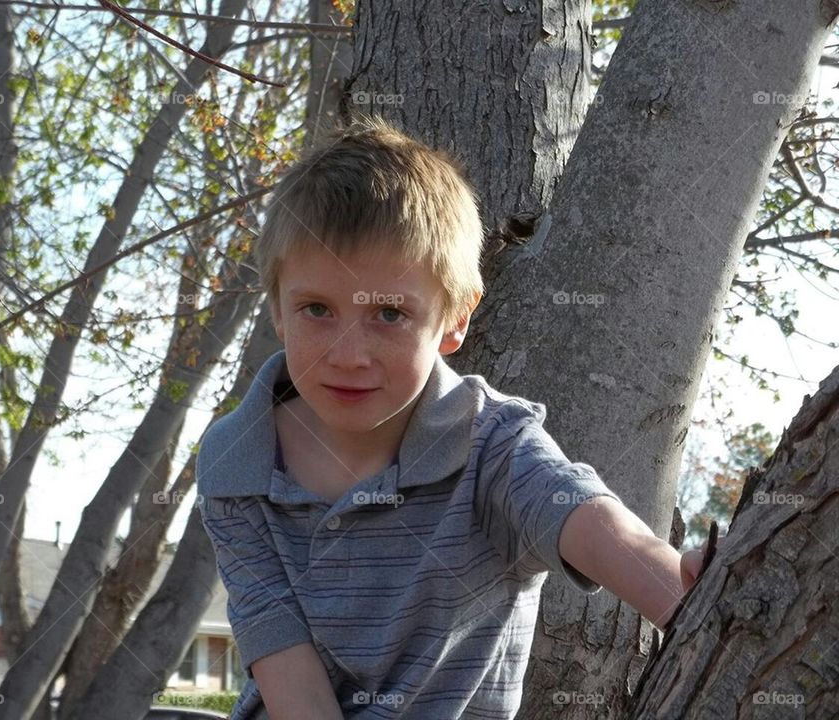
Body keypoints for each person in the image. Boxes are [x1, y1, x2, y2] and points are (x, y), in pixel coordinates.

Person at [196, 115, 707, 719]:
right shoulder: (236, 457)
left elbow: (589, 521)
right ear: (278, 309)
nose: (349, 354)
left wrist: (687, 592)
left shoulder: (492, 444)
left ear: (456, 318)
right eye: (316, 309)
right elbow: (286, 668)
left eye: (390, 314)